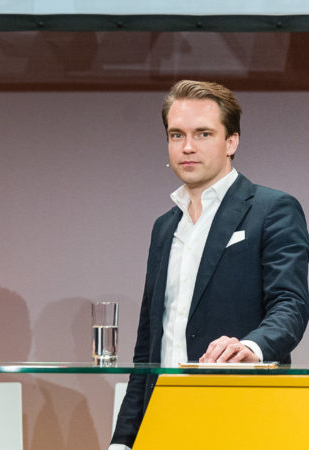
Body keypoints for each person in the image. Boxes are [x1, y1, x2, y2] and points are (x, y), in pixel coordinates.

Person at [110, 80, 309, 448]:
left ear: (231, 142)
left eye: (203, 134)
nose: (187, 147)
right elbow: (148, 345)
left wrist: (251, 348)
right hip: (165, 420)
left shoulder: (273, 209)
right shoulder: (164, 226)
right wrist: (123, 440)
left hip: (241, 416)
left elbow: (291, 306)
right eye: (176, 135)